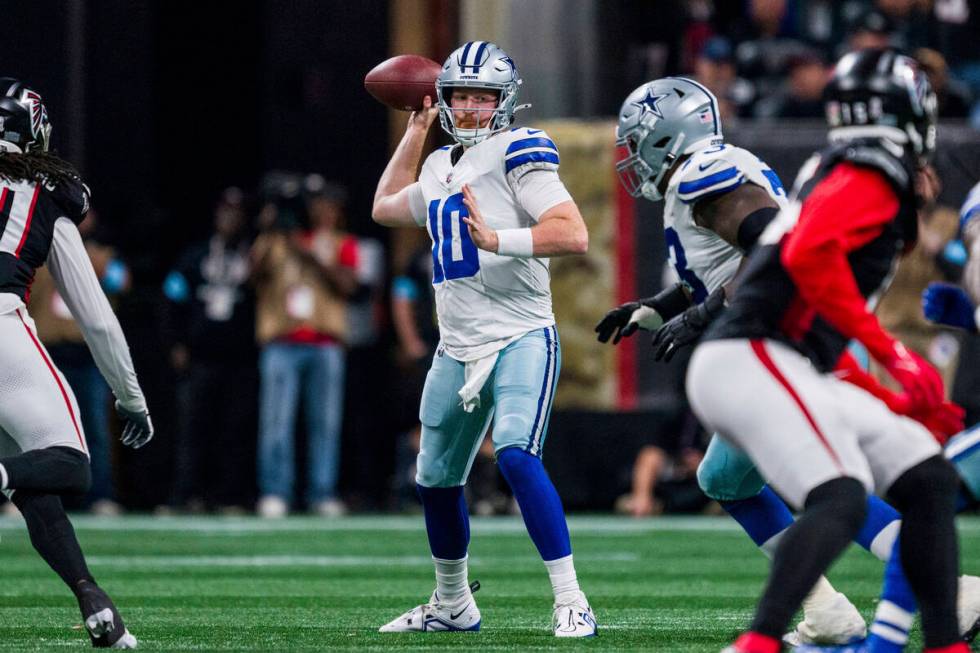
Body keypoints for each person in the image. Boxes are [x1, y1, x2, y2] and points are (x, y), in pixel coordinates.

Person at [596, 73, 980, 647]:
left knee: (830, 486)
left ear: (664, 137)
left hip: (788, 343)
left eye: (637, 143)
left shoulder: (705, 176)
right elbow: (727, 268)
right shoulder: (714, 170)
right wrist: (658, 307)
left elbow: (770, 250)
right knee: (728, 477)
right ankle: (841, 611)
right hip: (792, 339)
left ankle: (937, 593)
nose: (633, 160)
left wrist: (701, 317)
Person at [371, 41, 596, 637]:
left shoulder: (520, 148)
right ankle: (451, 604)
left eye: (483, 96)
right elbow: (386, 209)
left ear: (505, 101)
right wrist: (416, 130)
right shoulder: (441, 164)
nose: (470, 108)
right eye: (460, 96)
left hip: (521, 333)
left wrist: (497, 239)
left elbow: (572, 234)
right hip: (457, 344)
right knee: (435, 479)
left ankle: (572, 599)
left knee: (518, 454)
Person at [0, 78, 152, 648]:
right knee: (68, 464)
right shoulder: (44, 192)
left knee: (32, 485)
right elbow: (97, 318)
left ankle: (93, 600)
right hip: (2, 327)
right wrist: (131, 396)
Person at [251, 175, 357, 518]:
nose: (321, 209)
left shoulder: (342, 243)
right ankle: (275, 490)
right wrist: (268, 230)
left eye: (327, 204)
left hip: (325, 343)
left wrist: (311, 255)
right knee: (276, 421)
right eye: (316, 203)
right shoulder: (276, 242)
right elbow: (250, 276)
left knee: (325, 423)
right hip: (281, 342)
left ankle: (321, 491)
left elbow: (349, 286)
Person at [163, 187, 256, 513]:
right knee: (193, 429)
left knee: (235, 431)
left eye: (236, 212)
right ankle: (184, 495)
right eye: (225, 211)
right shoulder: (195, 256)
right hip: (201, 357)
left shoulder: (254, 256)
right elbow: (173, 299)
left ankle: (228, 496)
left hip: (241, 359)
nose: (230, 218)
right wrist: (176, 343)